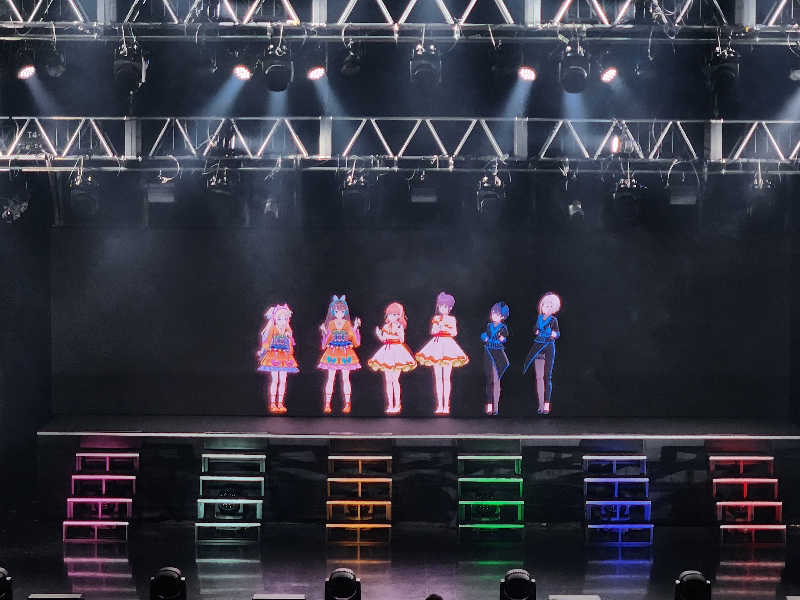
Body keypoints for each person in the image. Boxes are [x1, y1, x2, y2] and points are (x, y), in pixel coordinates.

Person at [415, 292, 469, 415]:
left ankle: (446, 405)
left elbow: (454, 332)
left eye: (446, 306)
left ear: (450, 308)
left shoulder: (451, 319)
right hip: (437, 345)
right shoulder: (436, 319)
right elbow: (433, 331)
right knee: (438, 378)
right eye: (441, 306)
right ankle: (440, 405)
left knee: (446, 378)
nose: (443, 309)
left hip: (448, 346)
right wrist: (438, 327)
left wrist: (445, 328)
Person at [368, 302, 417, 414]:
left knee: (395, 380)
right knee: (388, 380)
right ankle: (390, 404)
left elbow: (401, 339)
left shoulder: (399, 326)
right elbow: (383, 339)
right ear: (387, 315)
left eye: (395, 315)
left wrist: (390, 336)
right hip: (386, 351)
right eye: (391, 314)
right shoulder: (385, 326)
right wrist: (379, 334)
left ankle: (397, 404)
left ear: (399, 315)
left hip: (397, 351)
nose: (393, 317)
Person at [318, 295, 362, 414]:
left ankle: (347, 404)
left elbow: (354, 340)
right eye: (337, 311)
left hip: (345, 352)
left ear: (345, 312)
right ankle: (327, 404)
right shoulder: (331, 324)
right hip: (332, 352)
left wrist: (356, 327)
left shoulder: (347, 324)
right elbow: (326, 340)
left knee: (345, 378)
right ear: (333, 311)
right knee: (330, 378)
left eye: (342, 311)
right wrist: (324, 332)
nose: (339, 313)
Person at [523, 292, 561, 415]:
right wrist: (537, 331)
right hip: (538, 347)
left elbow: (557, 334)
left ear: (554, 308)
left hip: (549, 347)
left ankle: (546, 405)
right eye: (545, 305)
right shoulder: (539, 318)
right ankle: (540, 404)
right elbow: (535, 329)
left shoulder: (553, 320)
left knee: (547, 376)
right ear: (542, 306)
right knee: (539, 377)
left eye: (550, 306)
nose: (547, 308)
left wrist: (552, 334)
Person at [256, 304, 299, 414]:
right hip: (273, 357)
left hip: (285, 357)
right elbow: (267, 342)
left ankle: (280, 403)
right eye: (280, 318)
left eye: (285, 318)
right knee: (275, 380)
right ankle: (272, 403)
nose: (283, 321)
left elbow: (291, 349)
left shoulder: (287, 332)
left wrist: (289, 339)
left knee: (283, 380)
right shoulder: (273, 329)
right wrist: (263, 350)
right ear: (275, 319)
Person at [481, 302, 510, 416]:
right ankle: (489, 405)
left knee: (496, 380)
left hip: (497, 352)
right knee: (489, 379)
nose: (494, 315)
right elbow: (484, 335)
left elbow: (504, 339)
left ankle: (496, 406)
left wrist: (501, 338)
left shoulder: (503, 327)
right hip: (488, 351)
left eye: (497, 314)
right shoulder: (489, 326)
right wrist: (484, 337)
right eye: (493, 313)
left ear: (502, 317)